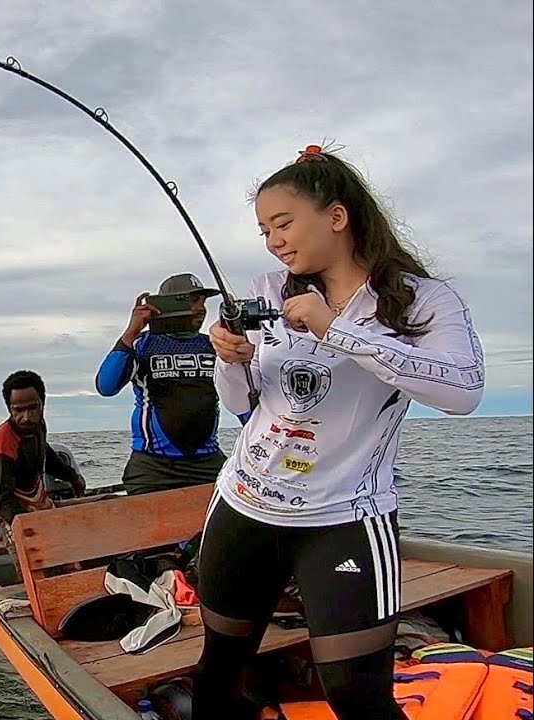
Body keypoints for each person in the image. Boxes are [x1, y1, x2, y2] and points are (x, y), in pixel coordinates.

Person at [193, 144, 485, 720]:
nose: (274, 241)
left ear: (336, 216)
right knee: (220, 669)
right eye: (264, 231)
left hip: (346, 518)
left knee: (356, 693)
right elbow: (241, 403)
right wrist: (229, 357)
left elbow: (464, 390)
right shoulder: (266, 289)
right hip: (244, 505)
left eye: (283, 223)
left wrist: (337, 330)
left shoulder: (422, 300)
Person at [95, 273, 226, 495]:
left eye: (203, 301)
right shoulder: (142, 344)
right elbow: (106, 386)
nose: (200, 308)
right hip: (153, 467)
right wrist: (131, 332)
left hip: (208, 462)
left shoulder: (214, 345)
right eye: (191, 300)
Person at [0, 370, 87, 557]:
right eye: (19, 410)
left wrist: (74, 478)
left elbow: (46, 454)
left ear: (42, 404)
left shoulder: (38, 426)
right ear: (9, 409)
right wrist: (31, 525)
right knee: (31, 553)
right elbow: (1, 501)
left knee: (107, 504)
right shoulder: (1, 444)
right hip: (10, 516)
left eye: (33, 408)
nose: (27, 417)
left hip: (40, 502)